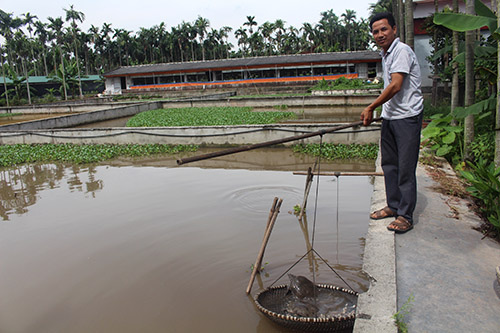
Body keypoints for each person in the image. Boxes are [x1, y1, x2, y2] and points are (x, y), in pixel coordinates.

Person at [360, 12, 424, 234]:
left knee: (405, 168)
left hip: (407, 117)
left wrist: (371, 107)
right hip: (390, 117)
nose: (379, 34)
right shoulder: (386, 54)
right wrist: (382, 111)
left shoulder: (401, 51)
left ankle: (405, 215)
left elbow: (396, 85)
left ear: (394, 30)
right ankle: (393, 205)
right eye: (375, 31)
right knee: (389, 166)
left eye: (384, 29)